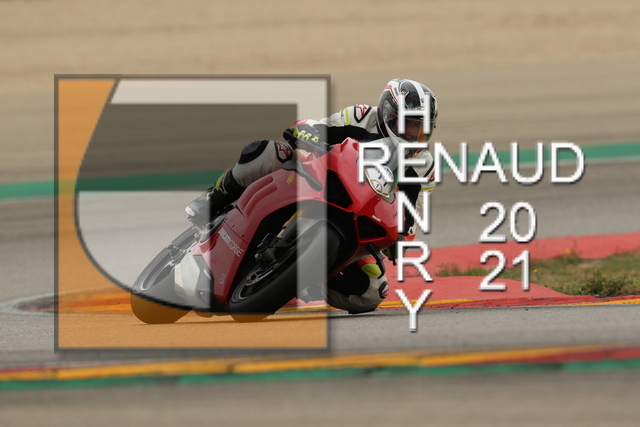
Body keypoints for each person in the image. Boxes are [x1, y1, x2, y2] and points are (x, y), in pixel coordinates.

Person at [186, 78, 438, 314]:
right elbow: (314, 127)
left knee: (373, 291)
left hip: (360, 218)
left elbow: (412, 217)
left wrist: (400, 240)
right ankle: (213, 199)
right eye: (407, 123)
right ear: (387, 115)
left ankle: (301, 281)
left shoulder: (424, 167)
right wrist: (307, 134)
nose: (412, 134)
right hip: (323, 180)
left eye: (420, 127)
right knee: (273, 152)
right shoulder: (361, 116)